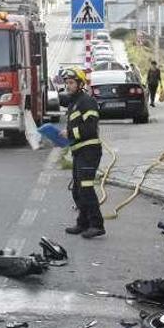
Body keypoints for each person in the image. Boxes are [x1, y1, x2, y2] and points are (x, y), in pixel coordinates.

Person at [59, 67, 105, 238]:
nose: (68, 86)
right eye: (66, 83)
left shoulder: (87, 101)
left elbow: (90, 128)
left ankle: (97, 225)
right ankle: (83, 223)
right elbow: (76, 126)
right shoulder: (74, 102)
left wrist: (70, 133)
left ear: (80, 84)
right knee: (77, 190)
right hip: (79, 151)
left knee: (86, 189)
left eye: (71, 83)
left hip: (89, 151)